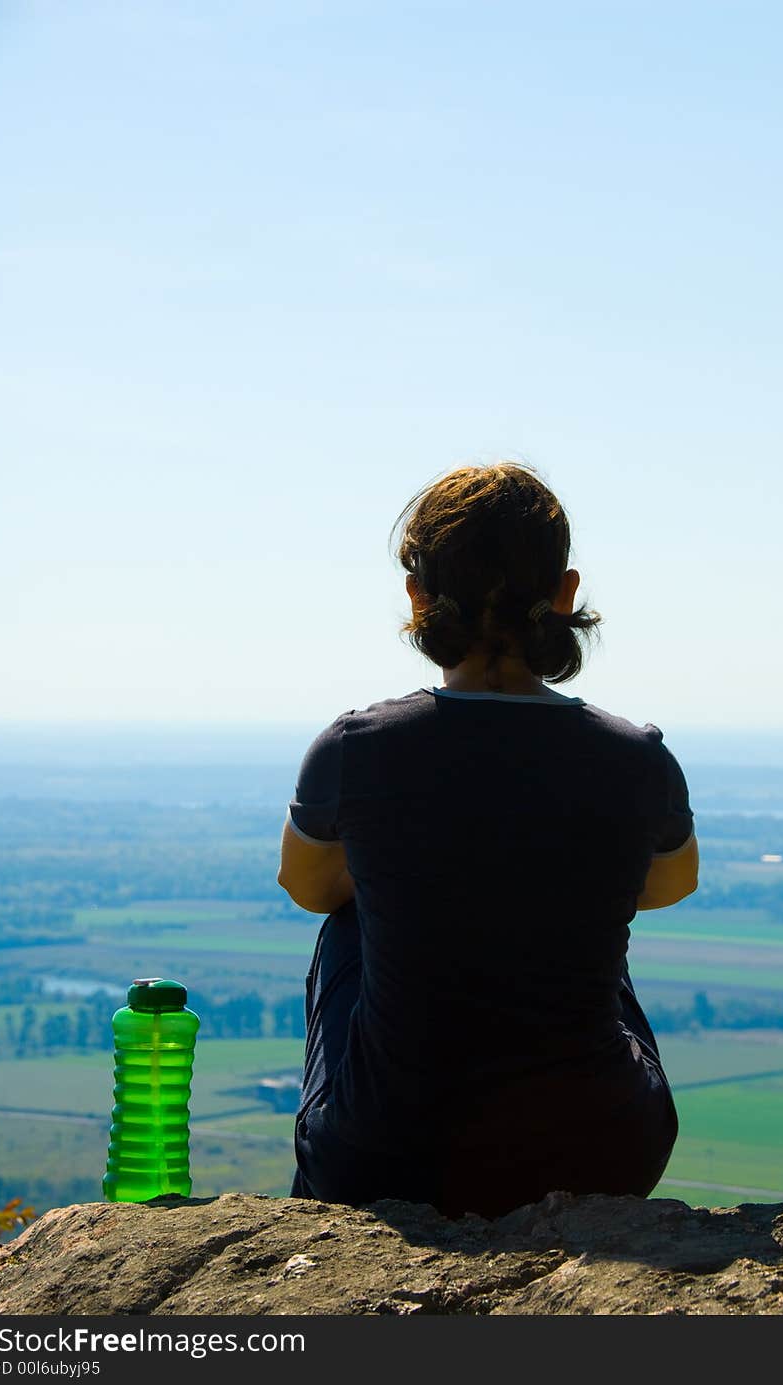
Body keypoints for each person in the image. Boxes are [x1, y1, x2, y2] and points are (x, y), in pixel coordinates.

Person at [278, 461, 699, 1220]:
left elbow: (309, 887)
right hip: (607, 1151)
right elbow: (668, 885)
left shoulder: (357, 746)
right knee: (598, 923)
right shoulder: (638, 757)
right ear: (565, 594)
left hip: (387, 1159)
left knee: (351, 920)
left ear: (418, 596)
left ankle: (322, 1231)